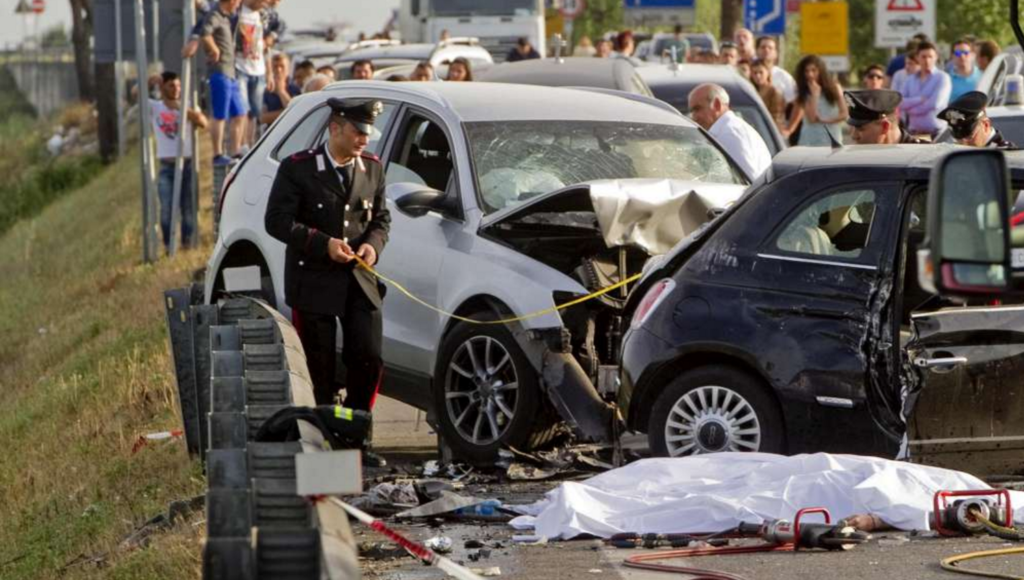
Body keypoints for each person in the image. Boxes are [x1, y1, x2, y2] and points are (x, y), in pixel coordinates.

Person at [264, 98, 391, 466]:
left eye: (367, 133)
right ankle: (323, 445)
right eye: (357, 132)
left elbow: (381, 219)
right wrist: (323, 244)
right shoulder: (298, 168)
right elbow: (277, 221)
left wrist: (372, 246)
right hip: (314, 280)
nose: (364, 139)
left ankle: (356, 436)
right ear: (335, 129)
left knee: (367, 357)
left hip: (358, 280)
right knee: (318, 367)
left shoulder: (372, 168)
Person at [150, 71, 208, 251]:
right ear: (162, 88)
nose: (176, 89)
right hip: (166, 167)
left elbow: (203, 122)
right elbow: (136, 94)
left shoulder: (188, 105)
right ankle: (169, 246)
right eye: (171, 86)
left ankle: (187, 244)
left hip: (188, 165)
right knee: (166, 209)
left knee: (188, 208)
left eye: (178, 85)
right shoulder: (155, 107)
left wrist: (180, 108)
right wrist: (149, 81)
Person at [688, 83, 772, 179]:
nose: (694, 117)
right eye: (692, 112)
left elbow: (748, 181)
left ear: (716, 105)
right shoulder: (730, 129)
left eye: (697, 109)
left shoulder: (729, 135)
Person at [200, 0, 247, 165]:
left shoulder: (226, 17)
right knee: (220, 115)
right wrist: (214, 49)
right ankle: (217, 154)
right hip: (220, 72)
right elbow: (205, 33)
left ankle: (235, 151)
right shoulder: (214, 15)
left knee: (240, 113)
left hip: (230, 72)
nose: (238, 5)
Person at [786, 55, 848, 146]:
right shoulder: (804, 91)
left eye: (813, 70)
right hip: (809, 140)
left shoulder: (834, 87)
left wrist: (827, 121)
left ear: (821, 71)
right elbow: (811, 118)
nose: (810, 74)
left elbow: (844, 114)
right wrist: (815, 95)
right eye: (806, 71)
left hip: (832, 138)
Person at [900, 41, 951, 138]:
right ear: (917, 57)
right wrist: (919, 99)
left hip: (936, 133)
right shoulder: (910, 80)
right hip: (914, 133)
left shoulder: (943, 77)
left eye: (930, 56)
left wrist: (911, 111)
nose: (927, 60)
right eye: (923, 57)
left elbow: (935, 103)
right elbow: (900, 102)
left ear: (936, 57)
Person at [235, 0, 268, 147]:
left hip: (258, 68)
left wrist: (269, 72)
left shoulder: (263, 14)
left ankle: (252, 144)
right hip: (240, 66)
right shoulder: (237, 11)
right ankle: (241, 145)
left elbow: (277, 28)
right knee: (242, 109)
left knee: (255, 111)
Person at [938, 91, 1017, 149]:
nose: (963, 143)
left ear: (986, 125)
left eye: (969, 137)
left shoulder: (1004, 154)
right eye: (958, 139)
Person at [844, 89, 924, 144]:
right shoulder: (859, 158)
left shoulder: (923, 156)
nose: (854, 136)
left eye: (860, 129)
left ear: (885, 127)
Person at [261, 52, 300, 125]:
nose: (279, 70)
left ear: (288, 69)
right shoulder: (264, 89)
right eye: (275, 67)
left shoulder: (295, 88)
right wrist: (287, 112)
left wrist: (281, 91)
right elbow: (262, 118)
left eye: (282, 66)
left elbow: (296, 112)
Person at [756, 36, 796, 104]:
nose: (766, 50)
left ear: (776, 53)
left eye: (770, 48)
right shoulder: (748, 73)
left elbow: (792, 101)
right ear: (757, 51)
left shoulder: (784, 77)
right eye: (763, 47)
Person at [751, 59, 785, 130]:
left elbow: (776, 116)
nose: (758, 76)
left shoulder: (774, 91)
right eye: (755, 73)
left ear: (768, 73)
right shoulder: (752, 90)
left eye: (761, 72)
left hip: (770, 129)